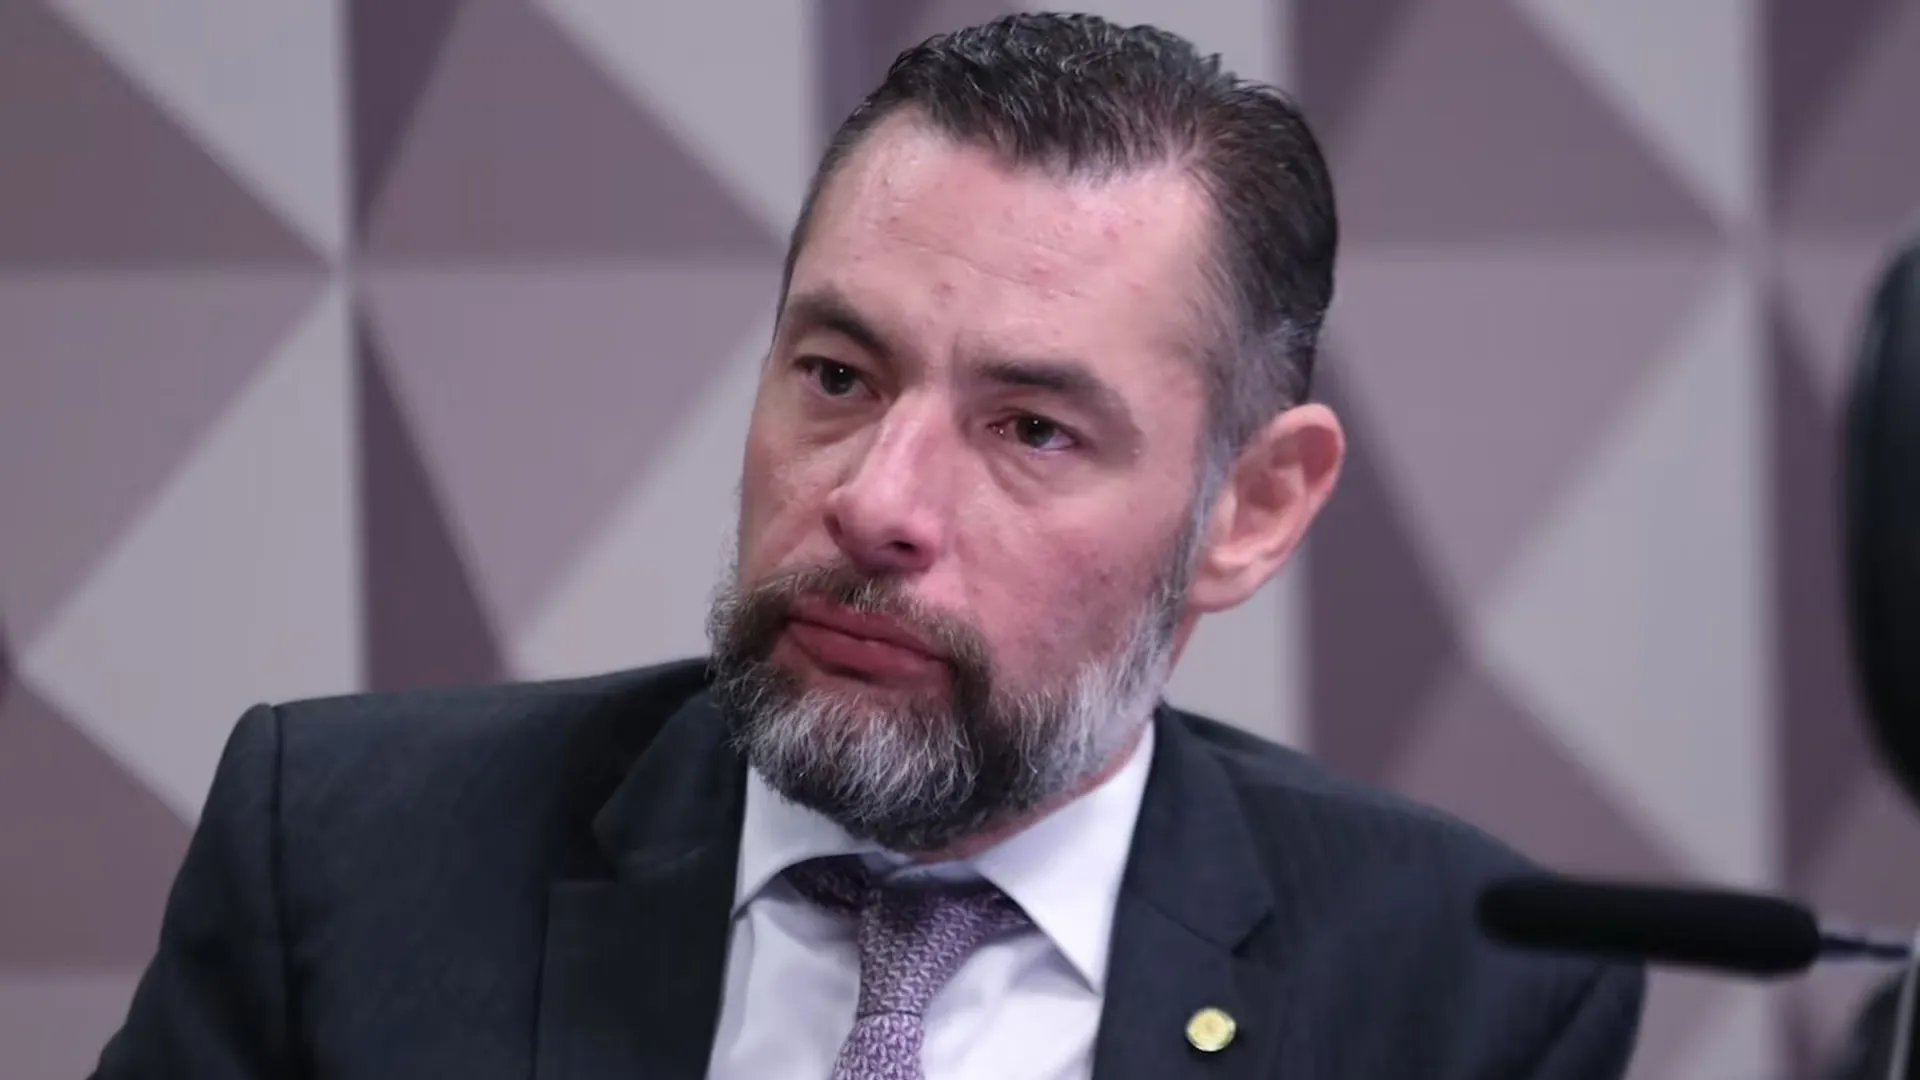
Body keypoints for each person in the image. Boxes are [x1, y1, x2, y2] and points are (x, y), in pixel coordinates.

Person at [91, 12, 1644, 1079]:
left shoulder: (1464, 986)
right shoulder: (349, 861)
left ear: (1252, 509)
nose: (876, 504)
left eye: (1032, 429)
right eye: (838, 376)